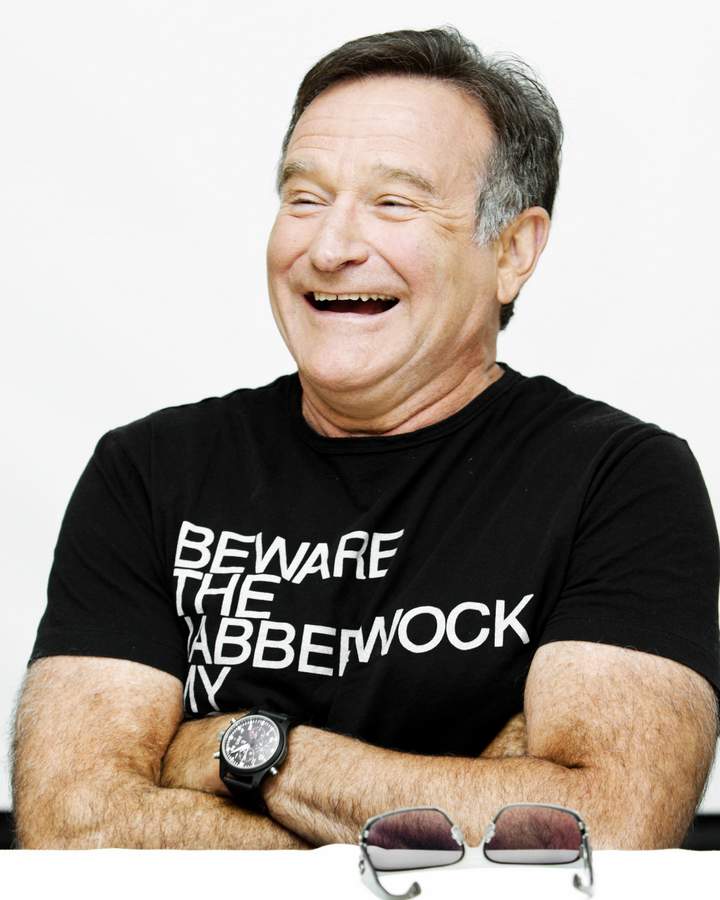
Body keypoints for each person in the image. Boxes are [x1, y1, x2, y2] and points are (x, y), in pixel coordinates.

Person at [12, 26, 719, 850]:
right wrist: (462, 805)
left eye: (394, 203)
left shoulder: (618, 480)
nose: (331, 247)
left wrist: (247, 751)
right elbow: (73, 828)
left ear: (512, 250)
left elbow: (604, 825)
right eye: (305, 198)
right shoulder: (149, 472)